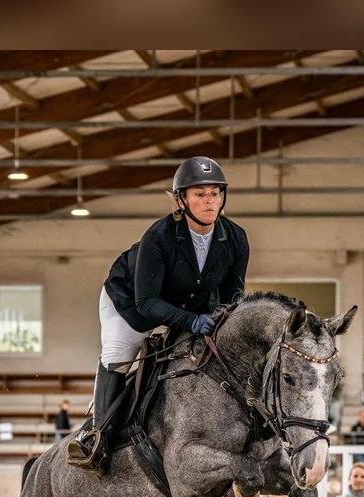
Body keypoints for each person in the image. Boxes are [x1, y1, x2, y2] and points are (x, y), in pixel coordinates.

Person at [67, 156, 250, 473]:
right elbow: (147, 303)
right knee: (117, 352)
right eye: (200, 194)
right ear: (182, 199)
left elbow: (234, 294)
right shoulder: (160, 236)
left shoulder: (235, 238)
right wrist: (192, 320)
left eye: (215, 193)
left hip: (190, 306)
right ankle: (97, 438)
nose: (209, 201)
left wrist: (221, 320)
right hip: (130, 304)